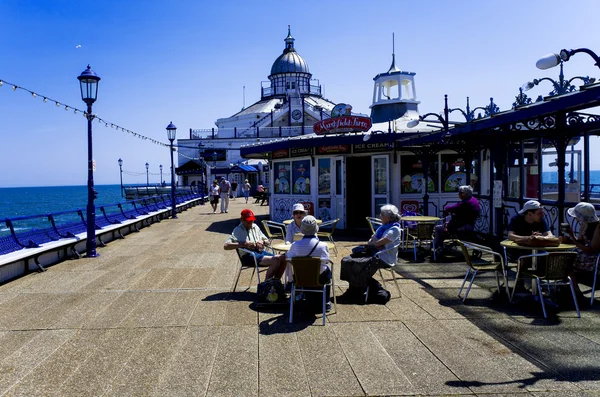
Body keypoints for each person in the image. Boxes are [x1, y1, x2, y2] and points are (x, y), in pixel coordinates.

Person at [224, 209, 287, 280]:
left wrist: (262, 242)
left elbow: (267, 241)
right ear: (241, 220)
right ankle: (266, 286)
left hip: (259, 252)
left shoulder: (255, 226)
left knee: (283, 258)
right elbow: (226, 246)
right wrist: (243, 244)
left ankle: (275, 283)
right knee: (275, 260)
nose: (250, 223)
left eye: (252, 220)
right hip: (248, 256)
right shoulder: (238, 230)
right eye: (248, 221)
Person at [286, 215, 332, 310]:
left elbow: (289, 258)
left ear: (302, 229)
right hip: (318, 278)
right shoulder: (323, 245)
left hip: (301, 278)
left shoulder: (295, 245)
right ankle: (326, 302)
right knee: (327, 272)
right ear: (316, 229)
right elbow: (326, 261)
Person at [559, 202, 600, 296]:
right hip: (585, 253)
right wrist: (571, 236)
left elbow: (591, 249)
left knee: (566, 261)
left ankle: (573, 291)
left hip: (594, 258)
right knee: (564, 259)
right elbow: (580, 242)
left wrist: (574, 242)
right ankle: (573, 290)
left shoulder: (598, 227)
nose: (575, 218)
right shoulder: (584, 224)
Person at [434, 185, 480, 251]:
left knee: (438, 228)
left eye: (459, 193)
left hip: (462, 226)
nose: (458, 194)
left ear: (464, 194)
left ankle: (437, 247)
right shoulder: (473, 200)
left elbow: (452, 208)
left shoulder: (465, 203)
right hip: (469, 224)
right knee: (445, 226)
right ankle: (440, 246)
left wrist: (446, 209)